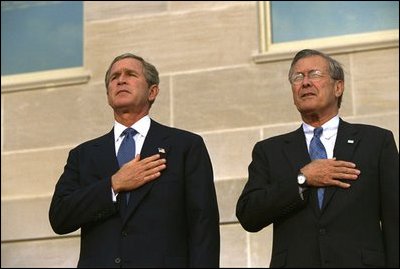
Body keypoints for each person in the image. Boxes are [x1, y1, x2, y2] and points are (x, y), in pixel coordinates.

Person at [49, 53, 220, 267]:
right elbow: (59, 217)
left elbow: (203, 225)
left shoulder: (185, 146)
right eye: (114, 77)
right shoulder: (83, 155)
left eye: (130, 74)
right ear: (108, 95)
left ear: (152, 91)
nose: (121, 80)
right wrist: (113, 184)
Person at [236, 49, 399, 268]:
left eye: (314, 75)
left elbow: (395, 220)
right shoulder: (269, 151)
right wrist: (302, 179)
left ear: (338, 87)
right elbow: (249, 215)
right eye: (297, 77)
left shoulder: (376, 142)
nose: (305, 83)